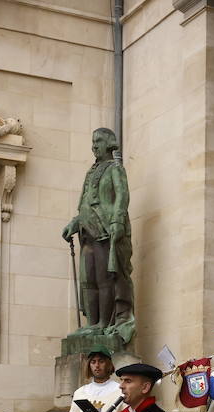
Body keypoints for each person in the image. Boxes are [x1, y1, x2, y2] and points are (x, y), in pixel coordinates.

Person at [61, 127, 133, 328]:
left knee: (104, 279)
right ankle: (92, 324)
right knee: (88, 279)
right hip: (87, 231)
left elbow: (122, 196)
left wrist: (117, 221)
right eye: (93, 141)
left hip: (105, 230)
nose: (94, 146)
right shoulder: (90, 172)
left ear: (109, 143)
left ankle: (104, 323)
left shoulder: (115, 169)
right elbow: (85, 203)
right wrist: (74, 223)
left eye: (98, 141)